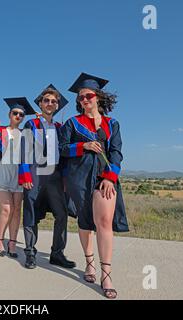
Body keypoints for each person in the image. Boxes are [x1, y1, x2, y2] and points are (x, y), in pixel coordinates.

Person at [60, 73, 129, 299]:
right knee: (85, 220)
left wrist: (110, 177)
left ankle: (106, 274)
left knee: (104, 222)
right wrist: (83, 146)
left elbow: (116, 152)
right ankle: (89, 262)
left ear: (97, 97)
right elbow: (61, 149)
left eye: (88, 96)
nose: (84, 100)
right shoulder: (72, 123)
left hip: (104, 177)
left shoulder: (112, 124)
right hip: (79, 177)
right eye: (80, 98)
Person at [20, 84, 76, 270]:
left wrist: (66, 179)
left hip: (55, 176)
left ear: (57, 105)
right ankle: (30, 252)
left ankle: (57, 253)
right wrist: (25, 174)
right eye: (46, 100)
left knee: (61, 213)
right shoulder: (31, 124)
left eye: (54, 101)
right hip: (35, 173)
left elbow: (65, 153)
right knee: (31, 211)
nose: (50, 103)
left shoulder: (61, 127)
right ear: (41, 103)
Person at [0, 97, 35, 258]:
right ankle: (0, 239)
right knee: (7, 207)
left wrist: (39, 119)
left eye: (21, 114)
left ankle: (12, 243)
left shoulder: (25, 134)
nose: (18, 116)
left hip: (18, 174)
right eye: (15, 113)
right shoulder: (0, 131)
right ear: (9, 114)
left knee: (17, 209)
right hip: (1, 172)